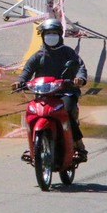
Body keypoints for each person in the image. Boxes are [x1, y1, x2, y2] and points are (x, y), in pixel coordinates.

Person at [11, 18, 89, 161]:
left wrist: (80, 79)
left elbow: (80, 67)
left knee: (67, 112)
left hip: (65, 92)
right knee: (32, 112)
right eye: (48, 33)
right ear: (43, 35)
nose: (51, 36)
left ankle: (79, 145)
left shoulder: (68, 52)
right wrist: (19, 82)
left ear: (60, 35)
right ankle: (33, 146)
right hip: (44, 94)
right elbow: (27, 71)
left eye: (54, 33)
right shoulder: (38, 56)